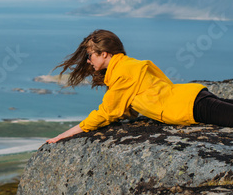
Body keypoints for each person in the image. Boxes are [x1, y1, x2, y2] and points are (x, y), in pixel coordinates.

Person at [47, 29, 233, 144]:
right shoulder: (128, 64)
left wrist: (65, 134)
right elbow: (133, 105)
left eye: (90, 56)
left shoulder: (121, 73)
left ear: (104, 54)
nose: (88, 61)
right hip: (193, 97)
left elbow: (105, 114)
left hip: (189, 106)